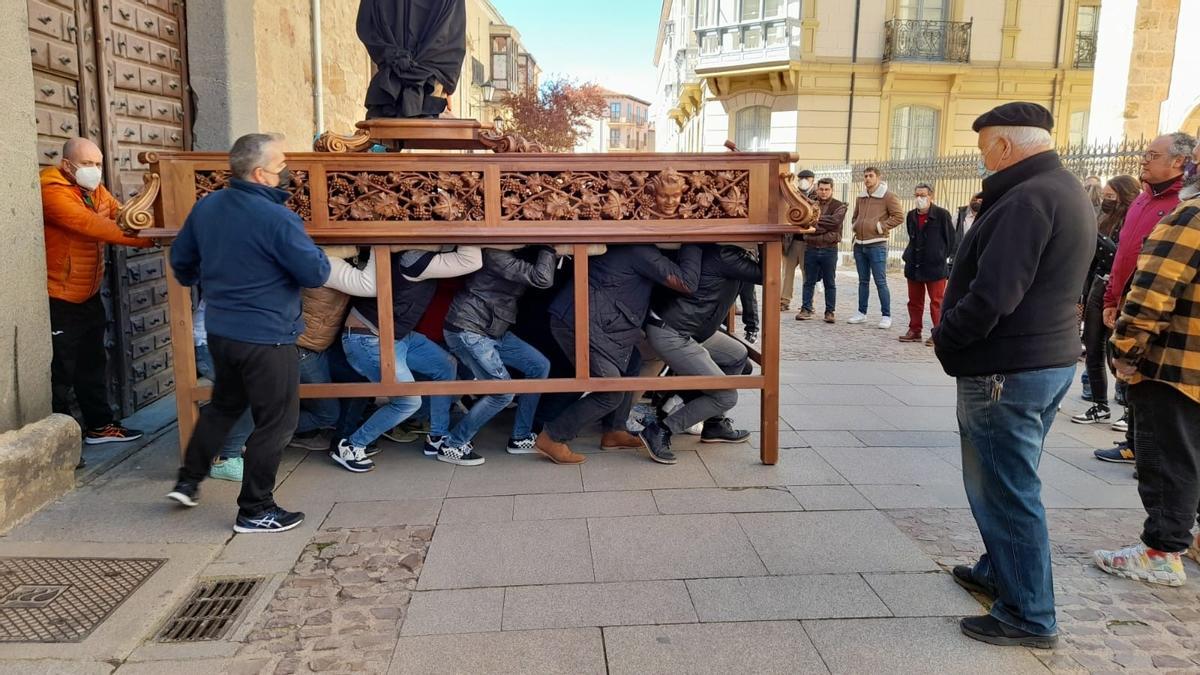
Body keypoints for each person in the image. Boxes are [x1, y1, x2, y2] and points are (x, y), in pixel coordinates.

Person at [933, 102, 1094, 648]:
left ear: (1004, 147)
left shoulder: (1027, 198)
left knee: (1006, 488)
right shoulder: (1061, 187)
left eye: (984, 150)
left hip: (1008, 370)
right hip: (1039, 362)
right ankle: (999, 570)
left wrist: (947, 336)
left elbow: (994, 295)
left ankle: (1028, 614)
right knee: (1008, 481)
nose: (983, 161)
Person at [167, 133, 331, 534]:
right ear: (260, 174)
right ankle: (256, 509)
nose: (286, 171)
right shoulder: (277, 218)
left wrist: (204, 279)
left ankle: (188, 481)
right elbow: (315, 273)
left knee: (224, 406)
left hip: (222, 331)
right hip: (267, 336)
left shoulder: (208, 206)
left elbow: (181, 260)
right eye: (281, 165)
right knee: (276, 422)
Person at [1093, 145, 1200, 586]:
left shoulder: (1190, 217)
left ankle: (1162, 550)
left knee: (1168, 459)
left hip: (1173, 365)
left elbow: (1153, 291)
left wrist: (1125, 352)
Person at [537, 243, 702, 465]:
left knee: (632, 363)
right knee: (609, 392)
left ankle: (615, 431)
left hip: (603, 323)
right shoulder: (640, 250)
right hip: (581, 323)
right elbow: (686, 282)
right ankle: (552, 437)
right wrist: (695, 243)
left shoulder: (634, 248)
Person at [331, 244, 483, 471]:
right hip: (369, 337)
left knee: (445, 366)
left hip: (397, 335)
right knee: (407, 401)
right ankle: (352, 445)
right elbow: (471, 260)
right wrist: (469, 223)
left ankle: (437, 437)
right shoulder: (414, 258)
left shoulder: (416, 254)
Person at [41, 137, 150, 447]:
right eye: (88, 164)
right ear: (67, 165)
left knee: (93, 363)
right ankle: (56, 446)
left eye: (98, 164)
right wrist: (150, 239)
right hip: (59, 296)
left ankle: (100, 427)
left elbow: (120, 215)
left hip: (88, 293)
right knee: (60, 370)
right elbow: (93, 226)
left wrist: (151, 224)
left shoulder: (94, 190)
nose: (95, 170)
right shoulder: (52, 191)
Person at [1095, 132, 1196, 458]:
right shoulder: (1142, 198)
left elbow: (1159, 285)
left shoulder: (1185, 210)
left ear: (1178, 161)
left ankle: (1138, 444)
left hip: (1171, 343)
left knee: (1170, 482)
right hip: (1127, 297)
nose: (1143, 160)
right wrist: (1112, 298)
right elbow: (1124, 253)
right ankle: (1134, 442)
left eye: (1152, 155)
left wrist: (1125, 349)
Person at [638, 244, 760, 463]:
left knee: (738, 355)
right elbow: (768, 276)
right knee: (726, 395)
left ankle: (714, 424)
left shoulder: (732, 253)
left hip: (693, 329)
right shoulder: (725, 254)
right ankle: (661, 429)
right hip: (673, 331)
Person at [442, 245, 558, 457]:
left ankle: (520, 437)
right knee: (502, 392)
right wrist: (549, 246)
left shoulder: (515, 251)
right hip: (469, 328)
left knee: (539, 366)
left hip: (494, 329)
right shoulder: (494, 253)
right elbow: (542, 278)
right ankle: (453, 443)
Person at [1071, 175, 1140, 431]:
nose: (1106, 200)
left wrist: (1099, 240)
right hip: (1100, 285)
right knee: (1093, 345)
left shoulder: (1132, 218)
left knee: (1118, 351)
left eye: (1112, 196)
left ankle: (1127, 409)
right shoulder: (1102, 217)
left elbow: (1121, 254)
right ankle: (1100, 404)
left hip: (1124, 287)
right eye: (1105, 195)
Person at [847, 166, 903, 328]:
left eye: (870, 176)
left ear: (878, 177)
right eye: (865, 176)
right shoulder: (861, 197)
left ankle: (886, 315)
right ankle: (861, 313)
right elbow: (855, 216)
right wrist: (855, 225)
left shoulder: (888, 196)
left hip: (877, 245)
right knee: (863, 281)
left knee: (880, 281)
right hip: (860, 245)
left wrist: (880, 227)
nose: (867, 179)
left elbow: (899, 216)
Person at [899, 183, 954, 345]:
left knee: (937, 301)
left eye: (923, 195)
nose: (919, 198)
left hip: (935, 265)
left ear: (931, 196)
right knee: (914, 301)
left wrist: (939, 255)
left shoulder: (942, 215)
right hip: (914, 264)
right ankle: (915, 330)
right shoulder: (911, 215)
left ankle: (938, 333)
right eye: (916, 195)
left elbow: (950, 239)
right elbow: (912, 236)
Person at [796, 177, 846, 323]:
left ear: (832, 190)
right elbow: (805, 222)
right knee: (809, 281)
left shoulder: (839, 206)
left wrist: (815, 222)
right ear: (817, 189)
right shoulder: (809, 204)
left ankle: (830, 311)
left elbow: (835, 222)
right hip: (811, 247)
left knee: (829, 282)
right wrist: (821, 224)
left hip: (829, 249)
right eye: (821, 189)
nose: (824, 192)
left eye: (827, 189)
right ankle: (806, 308)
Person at [780, 169, 816, 311]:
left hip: (808, 241)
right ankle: (784, 300)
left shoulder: (816, 195)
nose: (803, 181)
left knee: (807, 273)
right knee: (787, 272)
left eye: (807, 178)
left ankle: (808, 303)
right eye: (801, 178)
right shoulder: (792, 194)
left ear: (812, 180)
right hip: (792, 240)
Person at [950, 192, 983, 270]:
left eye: (980, 201)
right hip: (960, 256)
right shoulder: (960, 215)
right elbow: (951, 233)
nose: (977, 202)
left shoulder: (986, 216)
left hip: (978, 256)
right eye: (974, 200)